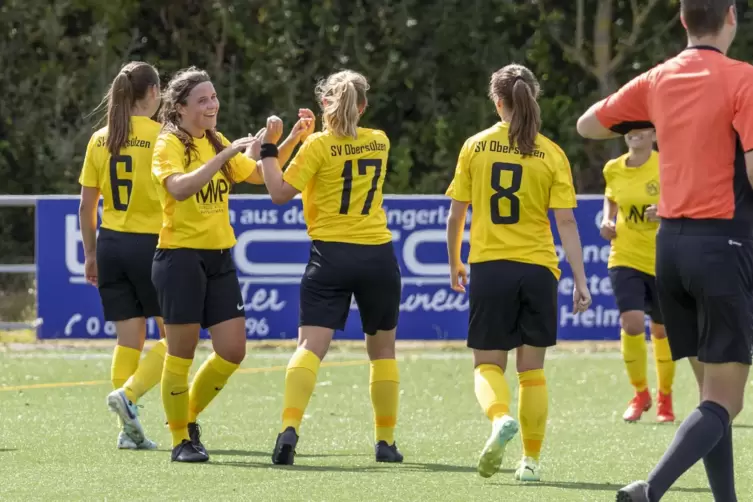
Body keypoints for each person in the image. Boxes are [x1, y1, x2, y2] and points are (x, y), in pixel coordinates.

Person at [577, 0, 753, 500]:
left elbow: (588, 124)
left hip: (669, 250)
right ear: (732, 17)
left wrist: (641, 114)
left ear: (682, 21)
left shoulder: (658, 79)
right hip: (723, 244)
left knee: (707, 397)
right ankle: (649, 491)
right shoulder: (744, 79)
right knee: (726, 401)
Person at [151, 66, 308, 462]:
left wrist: (285, 140)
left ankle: (186, 418)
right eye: (203, 100)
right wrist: (224, 154)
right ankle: (179, 441)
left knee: (233, 350)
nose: (212, 105)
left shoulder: (215, 139)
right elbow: (180, 189)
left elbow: (257, 174)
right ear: (181, 107)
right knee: (180, 352)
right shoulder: (168, 142)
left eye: (214, 97)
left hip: (219, 256)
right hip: (180, 257)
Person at [445, 64, 591, 482]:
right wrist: (580, 280)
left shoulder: (476, 146)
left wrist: (455, 260)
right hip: (539, 270)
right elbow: (566, 223)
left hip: (491, 267)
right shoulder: (551, 152)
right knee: (532, 372)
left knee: (487, 365)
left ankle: (498, 419)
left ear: (497, 102)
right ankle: (530, 462)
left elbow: (457, 215)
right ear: (532, 99)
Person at [259, 70, 404, 466]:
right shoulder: (379, 141)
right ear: (363, 106)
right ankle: (385, 442)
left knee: (309, 348)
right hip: (377, 255)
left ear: (325, 104)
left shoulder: (318, 147)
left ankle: (289, 431)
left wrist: (272, 148)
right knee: (383, 350)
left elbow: (278, 193)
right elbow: (348, 142)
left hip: (330, 256)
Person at [78, 61, 166, 451]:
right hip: (151, 246)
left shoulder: (101, 138)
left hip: (111, 243)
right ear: (152, 94)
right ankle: (131, 398)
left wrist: (91, 254)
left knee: (128, 340)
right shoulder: (164, 135)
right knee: (177, 339)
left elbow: (86, 206)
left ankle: (127, 427)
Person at [600, 130, 675, 424]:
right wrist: (607, 219)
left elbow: (687, 201)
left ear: (654, 134)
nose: (634, 133)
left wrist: (665, 212)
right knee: (631, 323)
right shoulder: (613, 168)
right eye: (628, 129)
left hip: (662, 259)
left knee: (661, 332)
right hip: (624, 256)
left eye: (641, 128)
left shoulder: (667, 164)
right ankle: (640, 393)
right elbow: (611, 199)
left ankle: (665, 399)